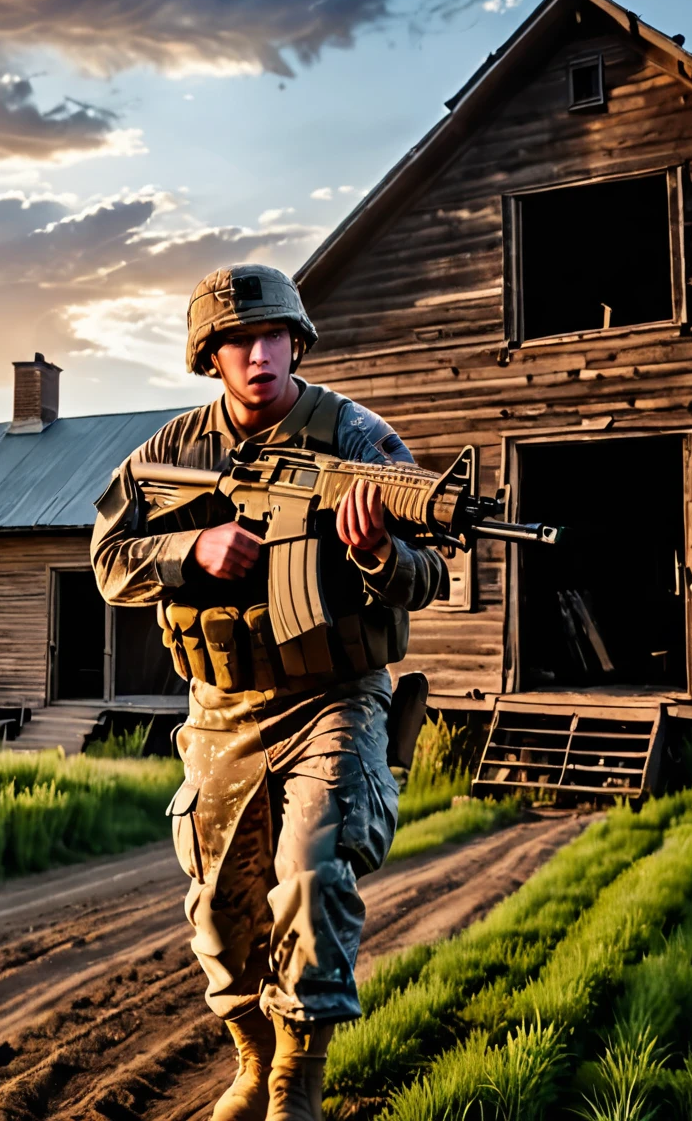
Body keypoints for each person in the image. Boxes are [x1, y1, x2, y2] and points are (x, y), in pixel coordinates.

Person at [91, 265, 445, 1121]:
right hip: (223, 707)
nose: (259, 354)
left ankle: (298, 1077)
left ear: (298, 342)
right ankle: (251, 1059)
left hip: (337, 695)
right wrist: (191, 552)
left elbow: (430, 569)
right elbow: (107, 564)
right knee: (220, 906)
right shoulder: (170, 455)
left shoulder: (358, 439)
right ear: (211, 357)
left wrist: (379, 556)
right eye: (238, 341)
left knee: (312, 875)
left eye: (273, 336)